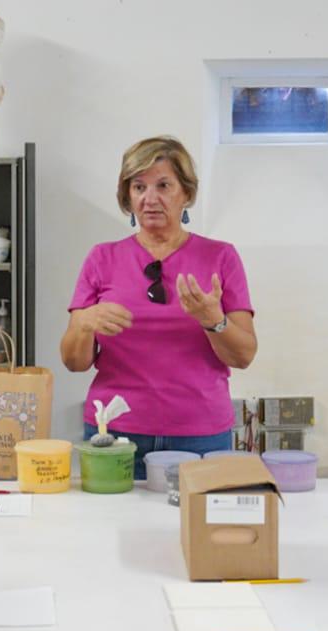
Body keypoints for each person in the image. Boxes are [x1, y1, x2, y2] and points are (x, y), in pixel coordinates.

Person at [60, 135, 257, 479]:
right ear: (128, 196)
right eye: (139, 187)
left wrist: (213, 320)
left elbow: (243, 356)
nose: (150, 199)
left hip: (200, 433)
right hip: (115, 434)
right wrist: (84, 323)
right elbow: (74, 362)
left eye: (163, 186)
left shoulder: (220, 257)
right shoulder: (102, 258)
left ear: (186, 193)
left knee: (197, 516)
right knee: (113, 514)